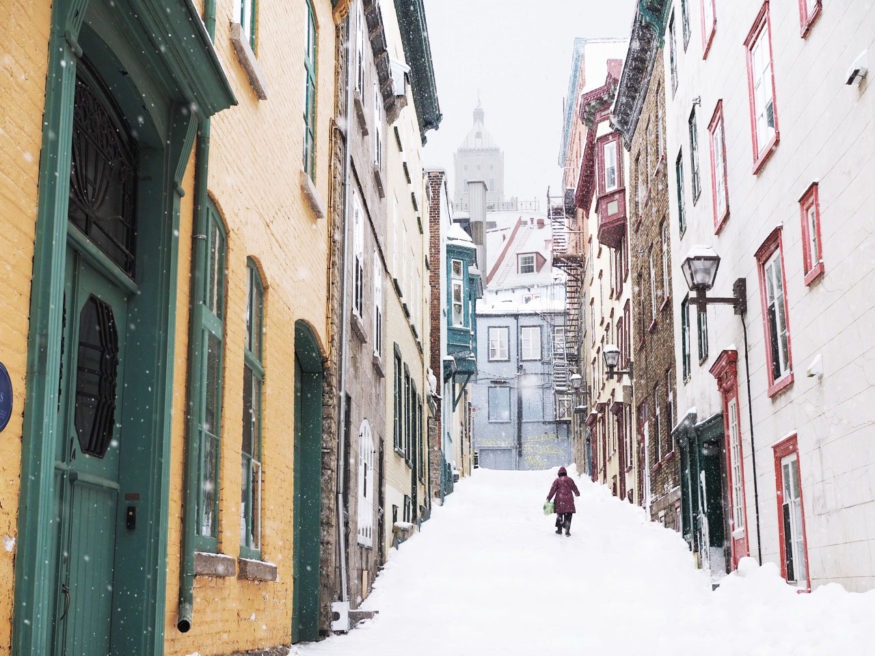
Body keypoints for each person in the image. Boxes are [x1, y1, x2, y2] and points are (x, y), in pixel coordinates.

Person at [546, 466, 580, 536]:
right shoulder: (570, 480)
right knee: (568, 516)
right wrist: (577, 493)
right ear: (565, 473)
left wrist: (549, 498)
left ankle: (559, 530)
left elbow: (552, 490)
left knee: (560, 515)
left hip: (559, 501)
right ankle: (567, 531)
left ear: (559, 474)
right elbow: (574, 487)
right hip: (569, 501)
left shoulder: (557, 481)